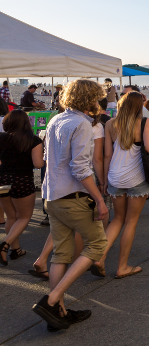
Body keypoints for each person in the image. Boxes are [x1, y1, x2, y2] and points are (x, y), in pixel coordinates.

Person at [32, 79, 108, 331]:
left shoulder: (57, 119)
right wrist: (99, 198)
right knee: (98, 243)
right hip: (71, 197)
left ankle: (59, 312)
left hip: (51, 195)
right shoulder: (82, 124)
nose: (99, 103)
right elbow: (80, 167)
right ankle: (52, 301)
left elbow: (48, 158)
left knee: (61, 254)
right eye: (96, 98)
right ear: (88, 100)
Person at [90, 92, 149, 278]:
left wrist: (103, 180)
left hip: (115, 176)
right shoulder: (144, 122)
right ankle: (122, 267)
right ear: (138, 106)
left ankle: (99, 258)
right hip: (136, 178)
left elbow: (107, 154)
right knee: (130, 221)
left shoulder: (111, 124)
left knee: (117, 219)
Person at [0, 111, 45, 265]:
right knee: (24, 217)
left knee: (11, 217)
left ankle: (16, 249)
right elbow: (38, 164)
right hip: (22, 180)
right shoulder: (33, 140)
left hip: (3, 180)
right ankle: (5, 245)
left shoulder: (1, 138)